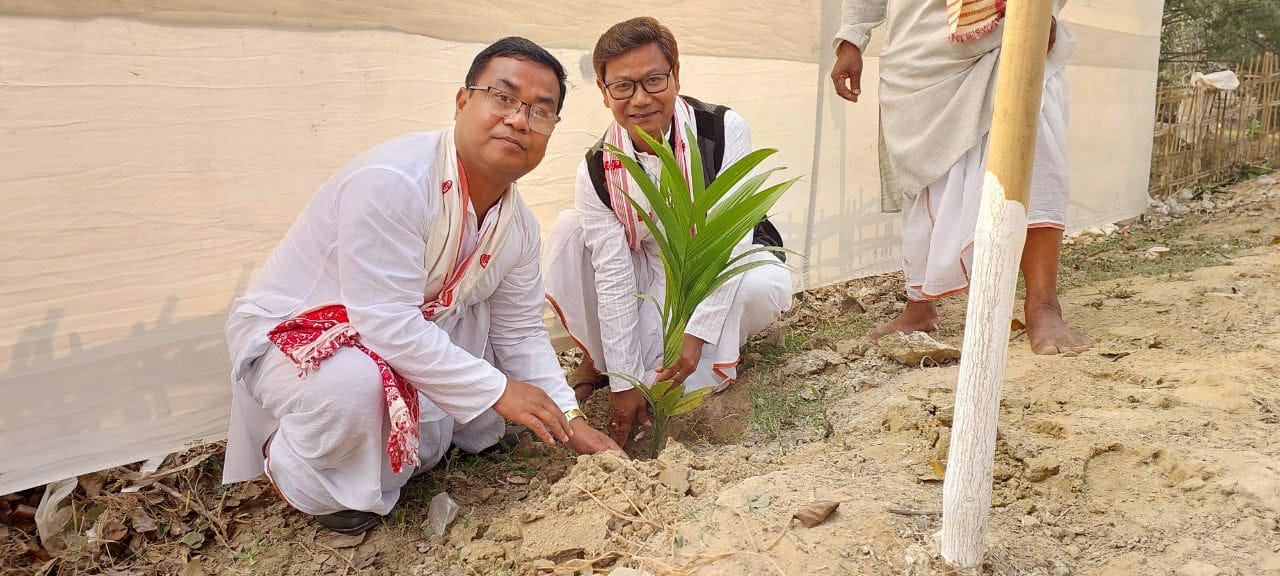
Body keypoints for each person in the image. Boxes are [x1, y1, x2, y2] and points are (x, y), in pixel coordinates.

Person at [222, 37, 619, 535]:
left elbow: (519, 331)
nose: (519, 119)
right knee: (357, 388)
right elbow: (385, 321)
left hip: (403, 331)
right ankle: (304, 478)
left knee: (484, 363)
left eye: (541, 111)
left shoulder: (518, 224)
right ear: (462, 101)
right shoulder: (395, 181)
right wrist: (498, 390)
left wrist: (569, 419)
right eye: (503, 97)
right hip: (306, 339)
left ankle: (417, 437)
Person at [544, 17, 793, 449]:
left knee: (760, 283)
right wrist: (623, 383)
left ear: (676, 75)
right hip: (646, 271)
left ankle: (716, 346)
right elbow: (613, 273)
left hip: (716, 265)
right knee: (568, 231)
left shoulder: (719, 129)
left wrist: (694, 337)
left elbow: (728, 240)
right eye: (622, 87)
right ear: (604, 93)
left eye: (654, 80)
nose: (640, 100)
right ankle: (603, 362)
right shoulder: (598, 167)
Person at [830, 0, 1091, 355]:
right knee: (925, 177)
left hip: (1010, 33)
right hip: (917, 50)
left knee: (1035, 160)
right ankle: (918, 305)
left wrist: (1041, 9)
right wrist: (851, 39)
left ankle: (1043, 307)